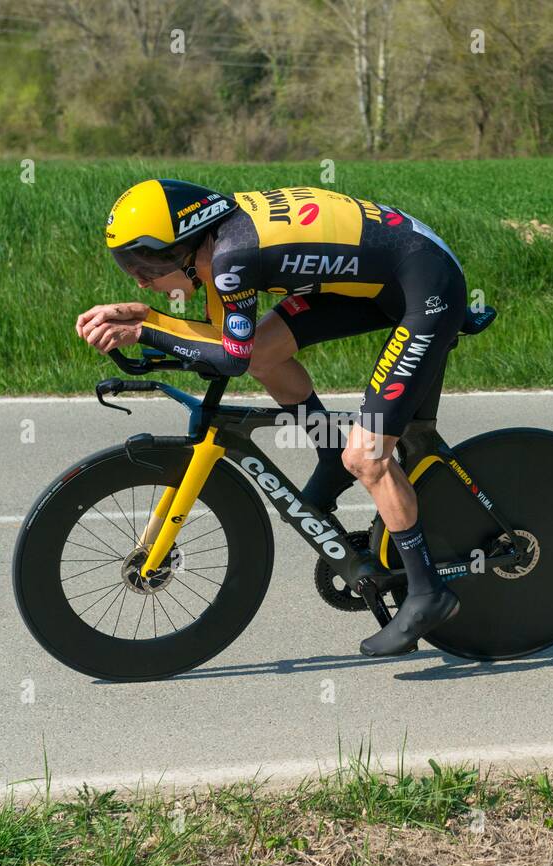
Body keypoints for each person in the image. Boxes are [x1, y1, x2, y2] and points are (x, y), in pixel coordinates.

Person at [77, 179, 467, 657]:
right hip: (385, 272)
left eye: (146, 264)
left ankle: (428, 592)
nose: (139, 279)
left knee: (368, 456)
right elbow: (231, 342)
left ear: (183, 245)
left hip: (428, 285)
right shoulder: (221, 242)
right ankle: (328, 453)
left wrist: (146, 328)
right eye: (129, 265)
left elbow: (228, 359)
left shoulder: (231, 258)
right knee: (265, 353)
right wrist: (148, 318)